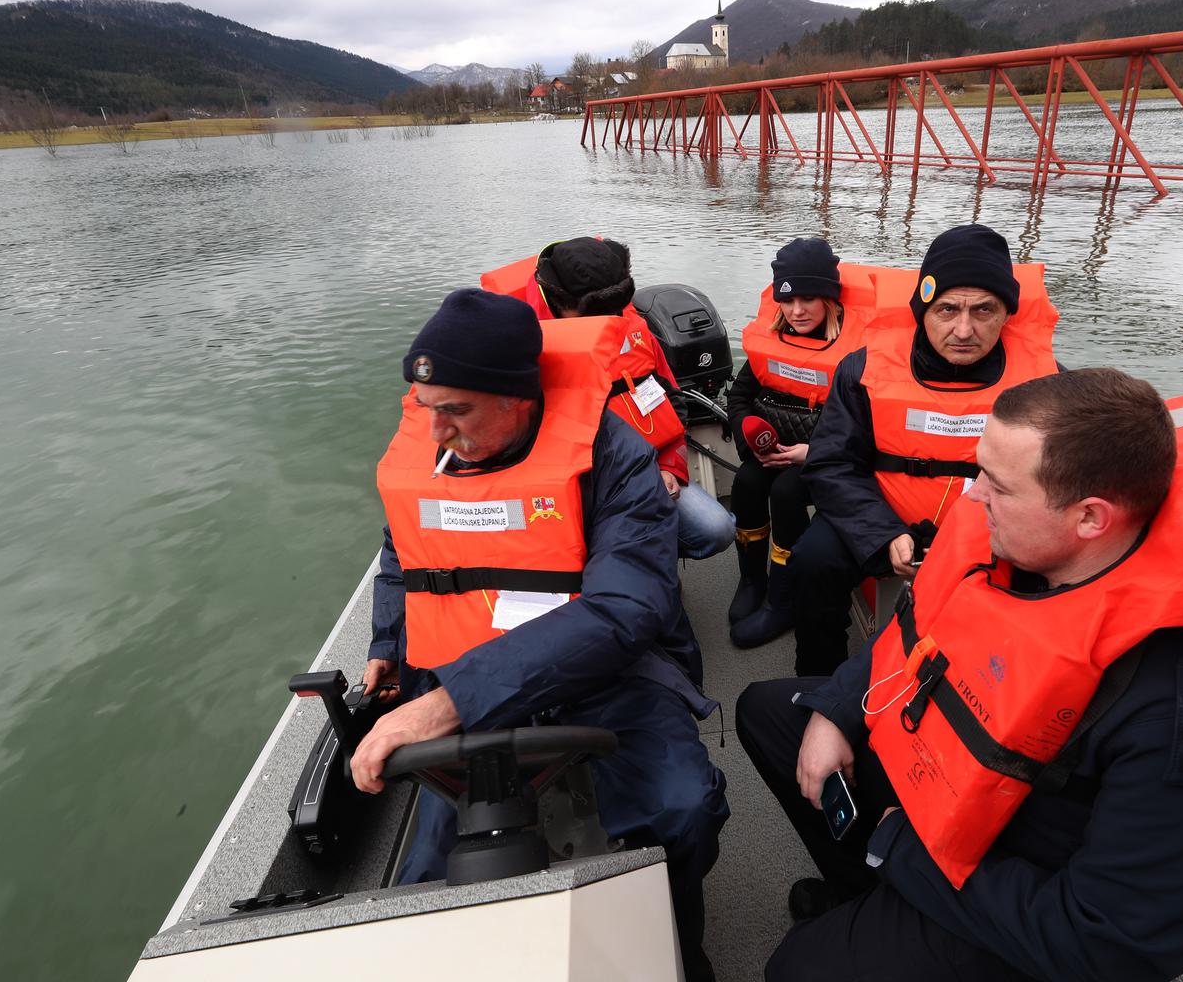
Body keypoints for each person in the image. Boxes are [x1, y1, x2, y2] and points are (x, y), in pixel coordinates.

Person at [738, 368, 1183, 981]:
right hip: (953, 780)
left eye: (996, 485)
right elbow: (915, 629)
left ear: (1090, 518)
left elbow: (1109, 937)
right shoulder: (1022, 550)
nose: (973, 497)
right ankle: (868, 894)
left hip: (1034, 877)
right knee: (771, 717)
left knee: (797, 968)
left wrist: (901, 850)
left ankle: (887, 896)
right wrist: (838, 709)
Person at [351, 288, 728, 981]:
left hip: (604, 671)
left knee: (685, 808)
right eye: (427, 408)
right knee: (425, 875)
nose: (436, 431)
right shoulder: (429, 451)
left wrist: (449, 702)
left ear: (518, 398)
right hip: (464, 663)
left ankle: (677, 935)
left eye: (456, 411)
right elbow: (402, 551)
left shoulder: (613, 458)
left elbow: (626, 610)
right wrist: (386, 644)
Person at [789, 223, 1058, 676]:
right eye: (947, 309)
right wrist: (883, 534)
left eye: (984, 310)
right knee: (813, 562)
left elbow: (1058, 487)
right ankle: (818, 678)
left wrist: (986, 539)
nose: (964, 329)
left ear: (1006, 314)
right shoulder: (862, 371)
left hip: (993, 533)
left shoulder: (1048, 386)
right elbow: (831, 463)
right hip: (882, 517)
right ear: (923, 309)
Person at [482, 237, 735, 560]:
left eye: (615, 314)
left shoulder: (630, 323)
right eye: (597, 317)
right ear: (558, 301)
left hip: (646, 467)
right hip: (567, 485)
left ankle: (647, 556)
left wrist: (670, 467)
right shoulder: (511, 342)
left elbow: (671, 400)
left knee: (716, 530)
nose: (610, 327)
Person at [726, 237, 875, 648]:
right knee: (747, 483)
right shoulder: (771, 339)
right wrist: (751, 441)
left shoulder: (856, 350)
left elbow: (866, 422)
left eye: (808, 298)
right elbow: (738, 399)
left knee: (788, 492)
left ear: (830, 299)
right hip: (772, 449)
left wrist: (814, 452)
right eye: (787, 300)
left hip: (825, 456)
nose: (796, 311)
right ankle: (752, 579)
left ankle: (784, 597)